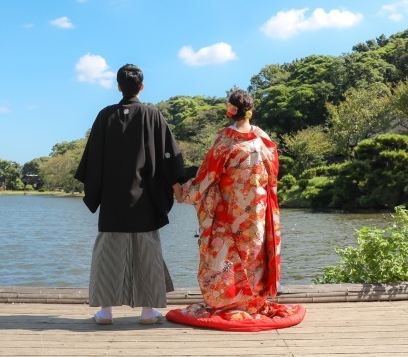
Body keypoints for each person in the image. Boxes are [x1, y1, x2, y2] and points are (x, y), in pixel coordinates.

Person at [172, 89, 297, 323]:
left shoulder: (225, 140)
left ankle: (230, 301)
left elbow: (208, 175)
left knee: (226, 253)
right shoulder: (264, 142)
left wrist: (184, 193)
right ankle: (254, 301)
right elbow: (273, 177)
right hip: (258, 209)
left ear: (230, 111)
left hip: (230, 210)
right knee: (255, 252)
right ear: (251, 110)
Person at [74, 64, 186, 325]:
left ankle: (105, 312)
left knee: (109, 256)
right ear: (142, 87)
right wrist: (177, 186)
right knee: (147, 256)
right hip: (145, 201)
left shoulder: (105, 116)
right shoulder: (153, 115)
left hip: (113, 202)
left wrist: (96, 192)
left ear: (118, 86)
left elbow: (92, 160)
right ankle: (147, 312)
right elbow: (169, 156)